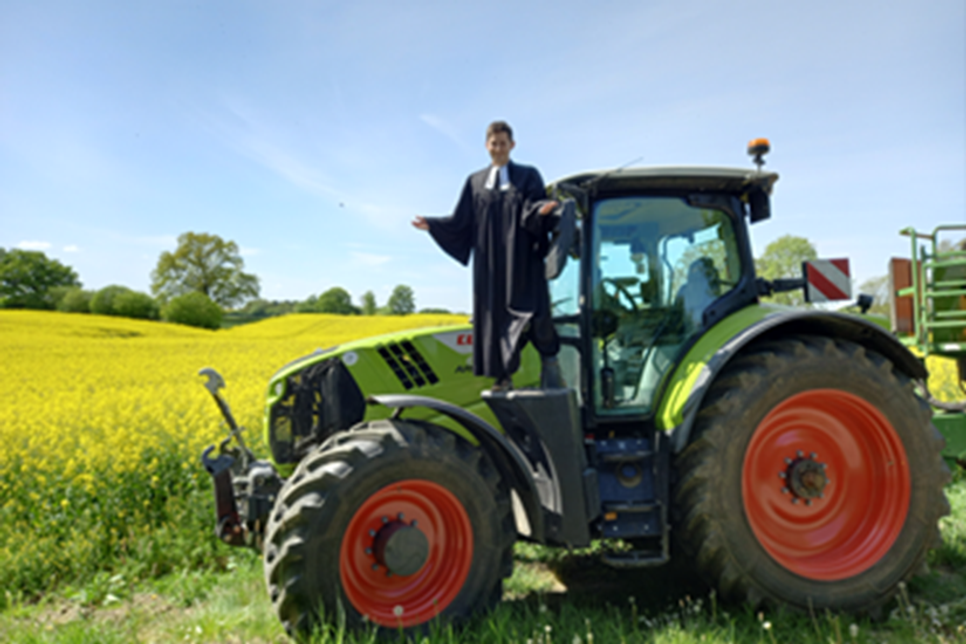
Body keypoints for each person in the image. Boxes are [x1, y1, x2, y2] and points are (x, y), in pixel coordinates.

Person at [412, 121, 563, 391]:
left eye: (503, 143)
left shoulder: (528, 176)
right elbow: (462, 220)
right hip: (490, 265)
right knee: (493, 318)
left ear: (512, 145)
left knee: (537, 310)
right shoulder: (475, 182)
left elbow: (534, 206)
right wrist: (434, 225)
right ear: (486, 146)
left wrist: (541, 212)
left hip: (522, 259)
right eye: (494, 144)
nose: (498, 148)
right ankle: (502, 377)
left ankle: (550, 367)